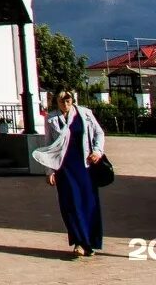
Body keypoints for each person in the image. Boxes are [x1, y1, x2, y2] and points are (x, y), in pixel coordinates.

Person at [33, 90, 105, 257]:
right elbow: (49, 145)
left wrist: (97, 151)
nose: (65, 104)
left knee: (88, 203)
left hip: (84, 165)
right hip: (64, 168)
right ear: (56, 102)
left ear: (72, 100)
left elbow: (99, 133)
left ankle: (90, 242)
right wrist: (49, 170)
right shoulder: (51, 119)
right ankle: (79, 242)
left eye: (68, 100)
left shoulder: (84, 114)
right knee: (71, 205)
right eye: (61, 101)